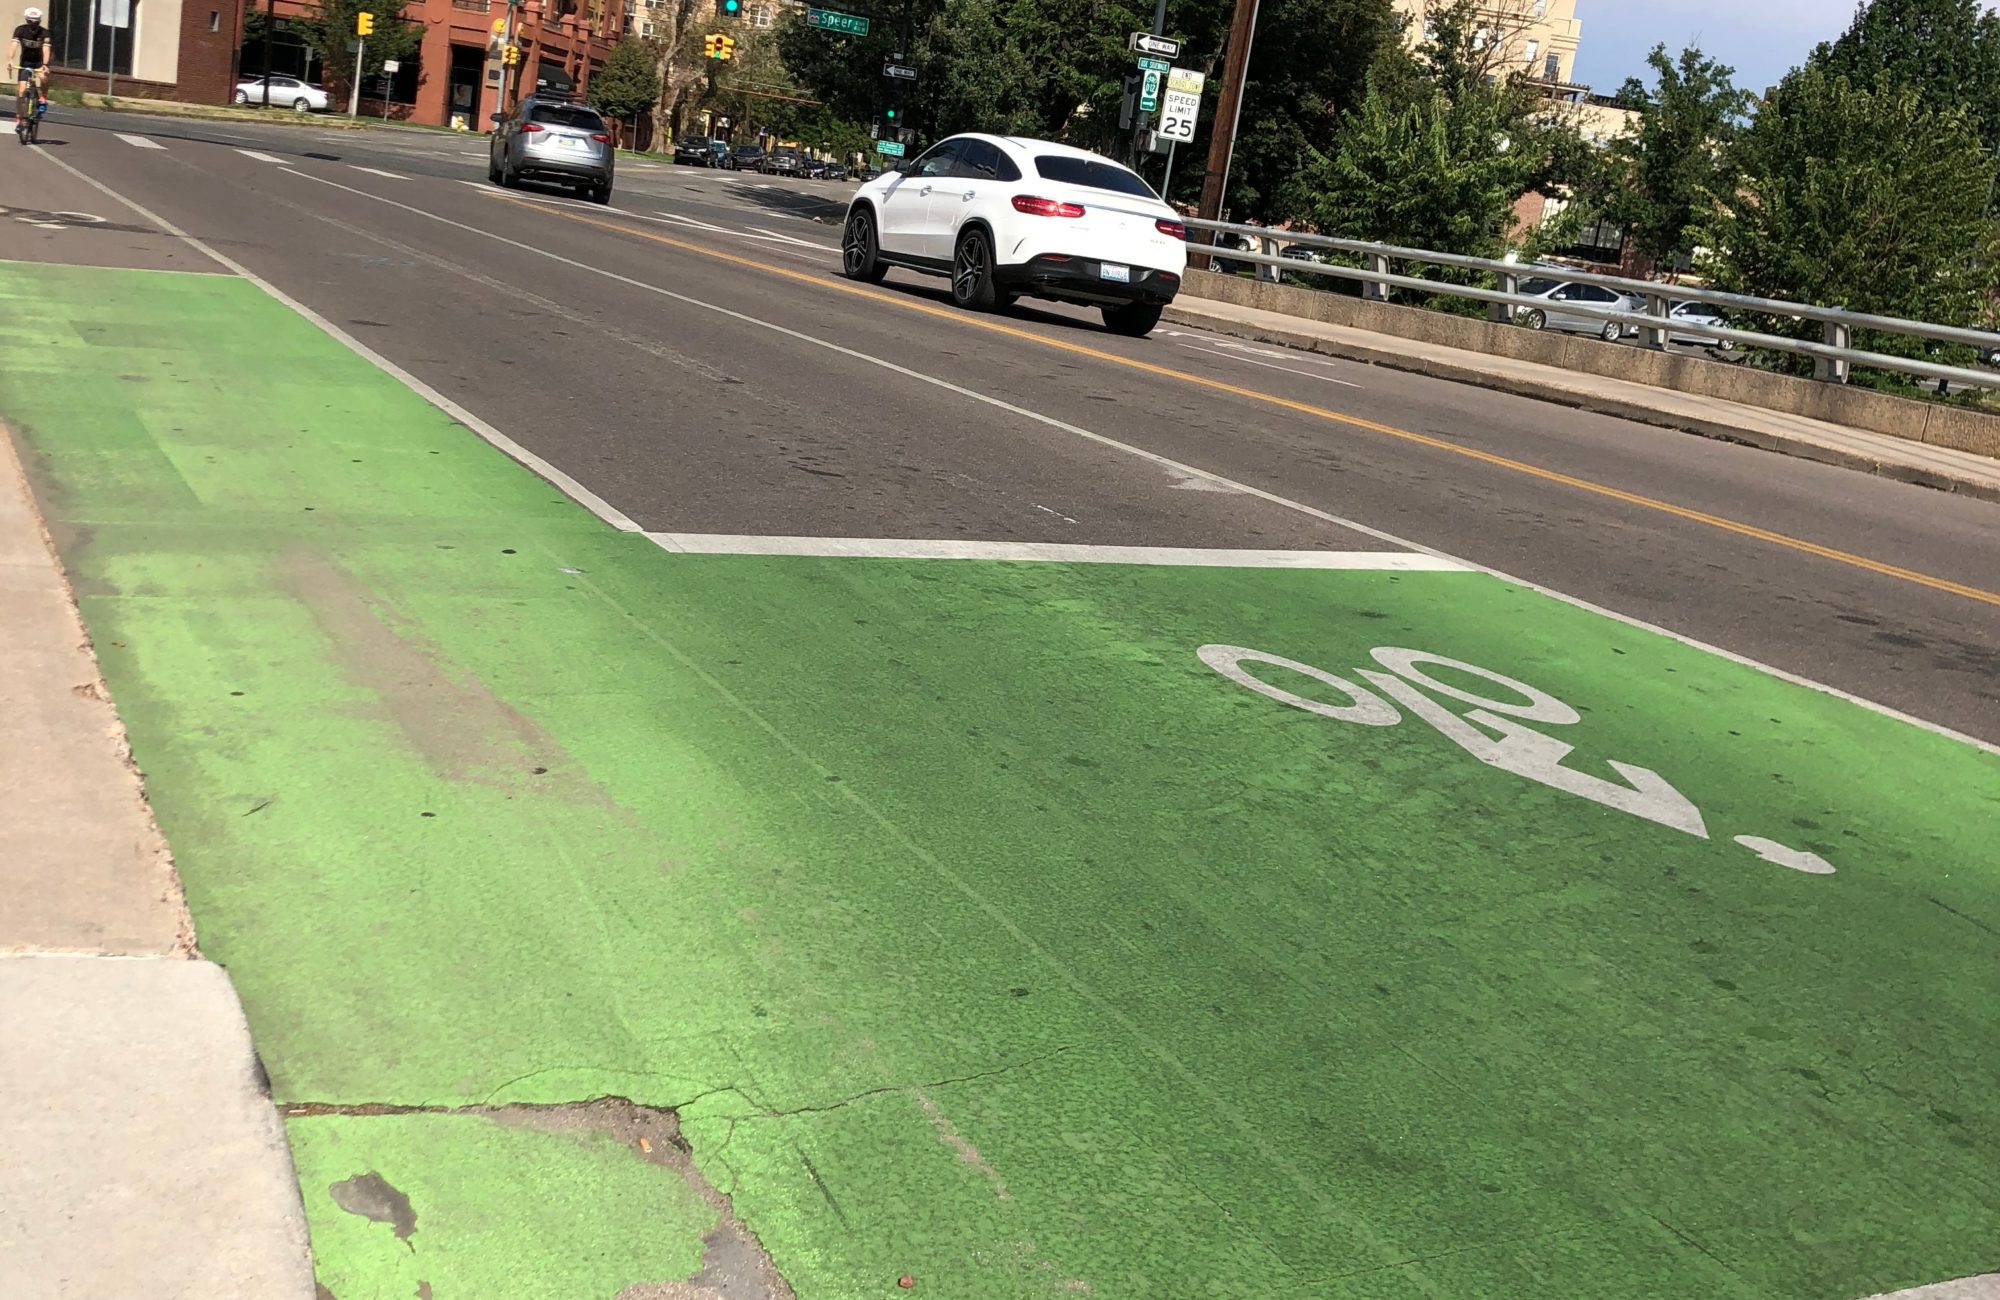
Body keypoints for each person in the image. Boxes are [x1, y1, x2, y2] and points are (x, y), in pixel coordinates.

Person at [8, 7, 50, 131]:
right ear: (27, 20)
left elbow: (46, 49)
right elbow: (13, 46)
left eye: (36, 22)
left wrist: (45, 65)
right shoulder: (20, 30)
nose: (33, 25)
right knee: (21, 93)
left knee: (43, 77)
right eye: (31, 22)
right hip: (25, 62)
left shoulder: (44, 33)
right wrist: (10, 60)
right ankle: (19, 120)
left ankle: (43, 98)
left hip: (39, 62)